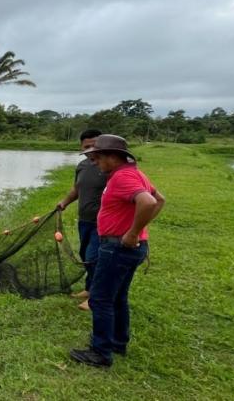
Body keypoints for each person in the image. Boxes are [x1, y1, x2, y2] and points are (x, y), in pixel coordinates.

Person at [70, 134, 165, 368]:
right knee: (118, 297)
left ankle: (100, 353)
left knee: (101, 299)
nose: (94, 162)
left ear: (113, 157)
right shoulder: (134, 173)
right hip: (126, 247)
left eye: (98, 157)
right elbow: (159, 198)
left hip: (117, 248)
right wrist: (138, 230)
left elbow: (150, 202)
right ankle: (117, 342)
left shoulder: (123, 177)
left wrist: (133, 232)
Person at [57, 129, 106, 311]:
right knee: (86, 255)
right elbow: (77, 189)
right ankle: (88, 288)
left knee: (94, 257)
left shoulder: (108, 166)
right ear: (81, 147)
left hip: (103, 223)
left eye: (95, 145)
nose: (91, 149)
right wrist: (64, 202)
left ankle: (95, 297)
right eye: (87, 146)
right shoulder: (82, 166)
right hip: (84, 220)